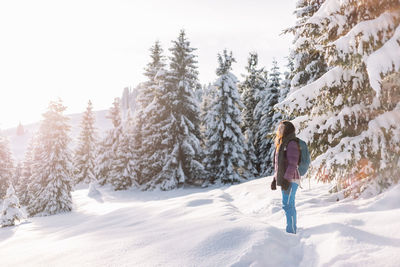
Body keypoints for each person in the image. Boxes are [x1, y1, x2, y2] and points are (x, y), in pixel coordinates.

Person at [271, 120, 300, 234]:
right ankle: (292, 229)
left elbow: (293, 163)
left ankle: (291, 232)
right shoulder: (282, 143)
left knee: (287, 205)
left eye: (281, 128)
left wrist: (286, 179)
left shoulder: (291, 143)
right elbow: (279, 165)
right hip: (287, 179)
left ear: (287, 130)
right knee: (289, 205)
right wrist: (274, 179)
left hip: (291, 179)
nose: (279, 130)